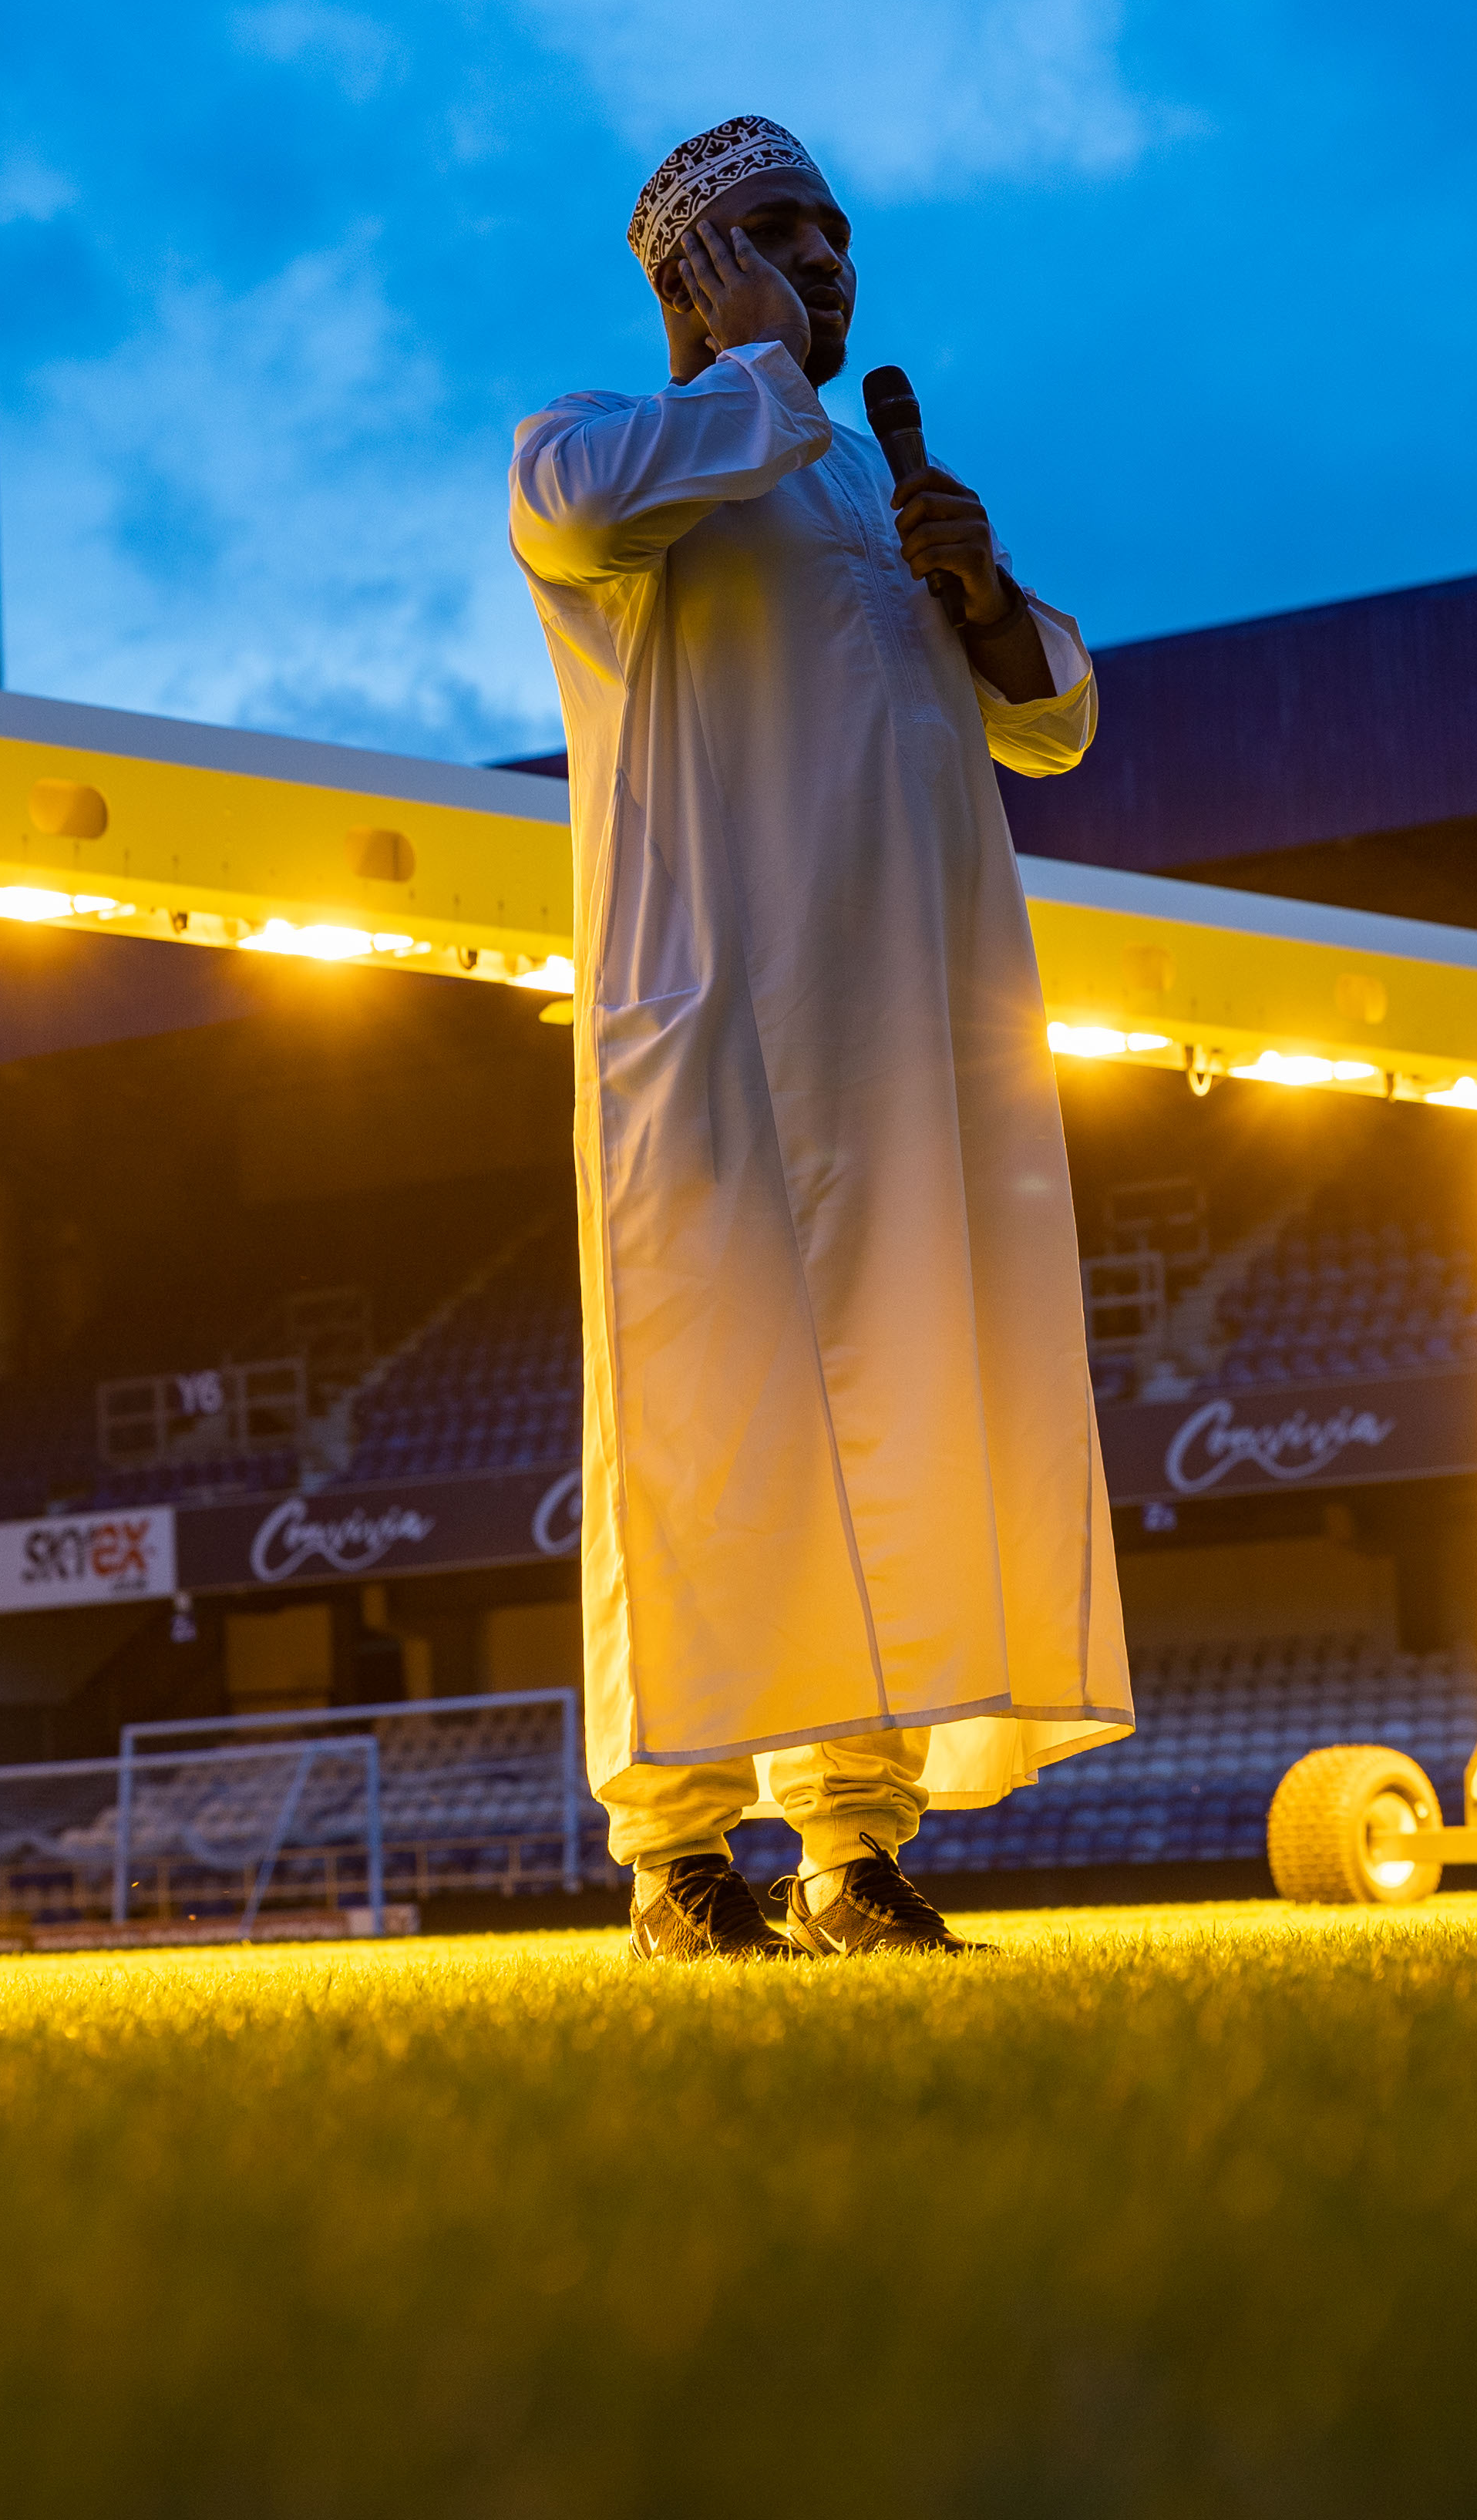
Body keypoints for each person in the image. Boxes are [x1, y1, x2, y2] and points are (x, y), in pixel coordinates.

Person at [510, 116, 1132, 1961]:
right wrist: (766, 359)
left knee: (904, 1409)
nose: (830, 264)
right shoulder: (609, 446)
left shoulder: (880, 489)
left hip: (911, 1052)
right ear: (687, 279)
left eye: (840, 238)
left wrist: (988, 593)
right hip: (707, 1038)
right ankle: (679, 1862)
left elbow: (1056, 723)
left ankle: (856, 1852)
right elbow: (581, 518)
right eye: (778, 237)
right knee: (711, 1433)